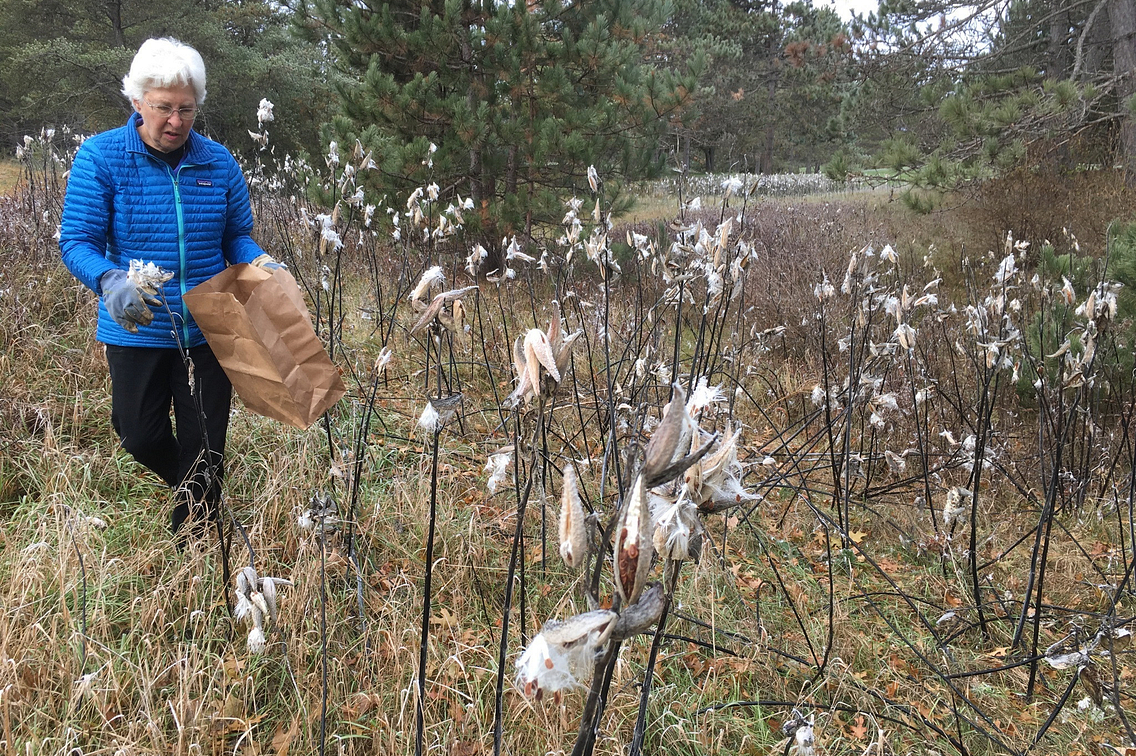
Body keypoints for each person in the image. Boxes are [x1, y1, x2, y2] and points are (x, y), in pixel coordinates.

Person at [60, 37, 282, 537]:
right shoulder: (101, 157)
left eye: (186, 109)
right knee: (139, 434)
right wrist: (108, 277)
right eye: (163, 108)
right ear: (137, 101)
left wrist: (261, 260)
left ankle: (199, 547)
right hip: (136, 325)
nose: (175, 122)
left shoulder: (218, 162)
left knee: (206, 443)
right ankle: (196, 492)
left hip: (211, 325)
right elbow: (77, 240)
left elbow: (236, 236)